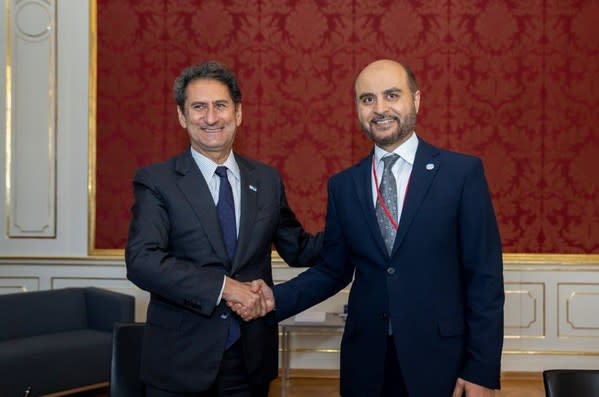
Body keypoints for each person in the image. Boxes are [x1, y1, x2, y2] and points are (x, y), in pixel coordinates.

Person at [235, 59, 504, 397]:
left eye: (392, 95)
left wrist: (481, 368)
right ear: (357, 109)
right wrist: (273, 299)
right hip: (367, 364)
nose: (380, 109)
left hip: (442, 363)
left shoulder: (461, 175)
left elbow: (485, 278)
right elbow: (333, 270)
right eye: (367, 99)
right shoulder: (344, 186)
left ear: (416, 100)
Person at [125, 61, 322, 397]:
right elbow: (142, 261)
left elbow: (299, 249)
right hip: (179, 362)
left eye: (220, 106)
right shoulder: (157, 181)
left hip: (249, 361)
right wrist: (226, 288)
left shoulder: (267, 180)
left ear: (239, 112)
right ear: (182, 117)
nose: (211, 118)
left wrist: (360, 224)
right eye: (198, 107)